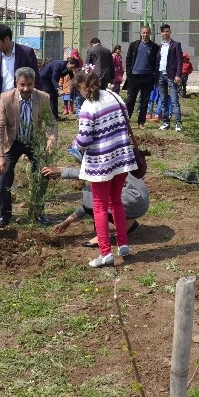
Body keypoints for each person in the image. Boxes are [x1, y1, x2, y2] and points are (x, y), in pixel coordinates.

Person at [72, 68, 139, 267]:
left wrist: (75, 143)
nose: (79, 93)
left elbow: (84, 140)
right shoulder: (114, 96)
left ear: (83, 86)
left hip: (101, 163)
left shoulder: (87, 107)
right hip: (121, 157)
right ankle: (123, 244)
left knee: (100, 206)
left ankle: (105, 253)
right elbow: (125, 118)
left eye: (79, 89)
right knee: (116, 201)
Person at [0, 67, 57, 227]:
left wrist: (51, 140)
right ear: (16, 83)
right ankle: (3, 214)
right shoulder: (6, 98)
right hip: (12, 142)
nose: (26, 88)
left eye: (29, 84)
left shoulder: (43, 98)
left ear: (34, 83)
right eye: (22, 85)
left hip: (34, 141)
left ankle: (37, 211)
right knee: (3, 175)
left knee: (42, 173)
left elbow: (51, 123)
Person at [46, 148, 149, 247]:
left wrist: (62, 171)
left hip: (134, 199)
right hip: (139, 201)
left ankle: (101, 237)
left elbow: (91, 200)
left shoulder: (102, 161)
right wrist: (68, 221)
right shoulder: (115, 157)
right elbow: (86, 206)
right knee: (98, 196)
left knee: (94, 195)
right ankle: (128, 225)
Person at [0, 24, 41, 126]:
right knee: (4, 138)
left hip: (24, 104)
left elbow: (37, 81)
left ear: (7, 39)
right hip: (2, 106)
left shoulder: (26, 53)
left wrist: (39, 106)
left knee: (23, 136)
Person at [124, 26, 160, 128]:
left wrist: (154, 75)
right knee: (131, 100)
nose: (145, 35)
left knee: (145, 102)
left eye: (147, 33)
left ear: (150, 34)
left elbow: (156, 62)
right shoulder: (134, 45)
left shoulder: (154, 47)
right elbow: (128, 59)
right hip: (134, 77)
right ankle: (126, 121)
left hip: (148, 77)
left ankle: (141, 122)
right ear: (141, 33)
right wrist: (129, 74)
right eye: (143, 33)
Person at [156, 24, 184, 132]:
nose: (165, 33)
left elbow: (179, 61)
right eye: (163, 32)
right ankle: (166, 122)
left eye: (167, 31)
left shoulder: (176, 45)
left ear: (170, 32)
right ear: (161, 33)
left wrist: (178, 75)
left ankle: (178, 124)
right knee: (163, 100)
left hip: (171, 76)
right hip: (161, 75)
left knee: (174, 101)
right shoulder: (160, 46)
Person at [39, 56, 76, 121]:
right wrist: (59, 89)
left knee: (54, 96)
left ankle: (55, 116)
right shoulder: (59, 65)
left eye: (74, 68)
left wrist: (77, 85)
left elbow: (73, 78)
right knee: (50, 95)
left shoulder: (69, 69)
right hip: (45, 78)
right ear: (69, 63)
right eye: (72, 67)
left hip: (51, 79)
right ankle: (49, 117)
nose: (72, 69)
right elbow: (54, 78)